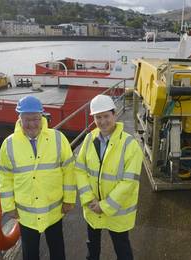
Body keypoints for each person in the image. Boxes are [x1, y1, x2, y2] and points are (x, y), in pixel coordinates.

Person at [0, 96, 76, 260]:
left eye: (35, 119)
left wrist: (69, 199)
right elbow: (5, 177)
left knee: (57, 251)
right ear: (19, 118)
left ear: (42, 117)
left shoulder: (58, 138)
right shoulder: (9, 144)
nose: (32, 124)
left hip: (53, 210)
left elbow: (69, 171)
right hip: (27, 215)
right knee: (30, 254)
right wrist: (8, 206)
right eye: (27, 119)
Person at [75, 94, 143, 260]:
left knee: (122, 248)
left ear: (114, 114)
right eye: (98, 117)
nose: (102, 121)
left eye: (106, 116)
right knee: (92, 246)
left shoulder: (130, 144)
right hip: (92, 206)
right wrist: (88, 199)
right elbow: (80, 169)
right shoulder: (90, 138)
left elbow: (129, 182)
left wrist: (104, 206)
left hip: (116, 210)